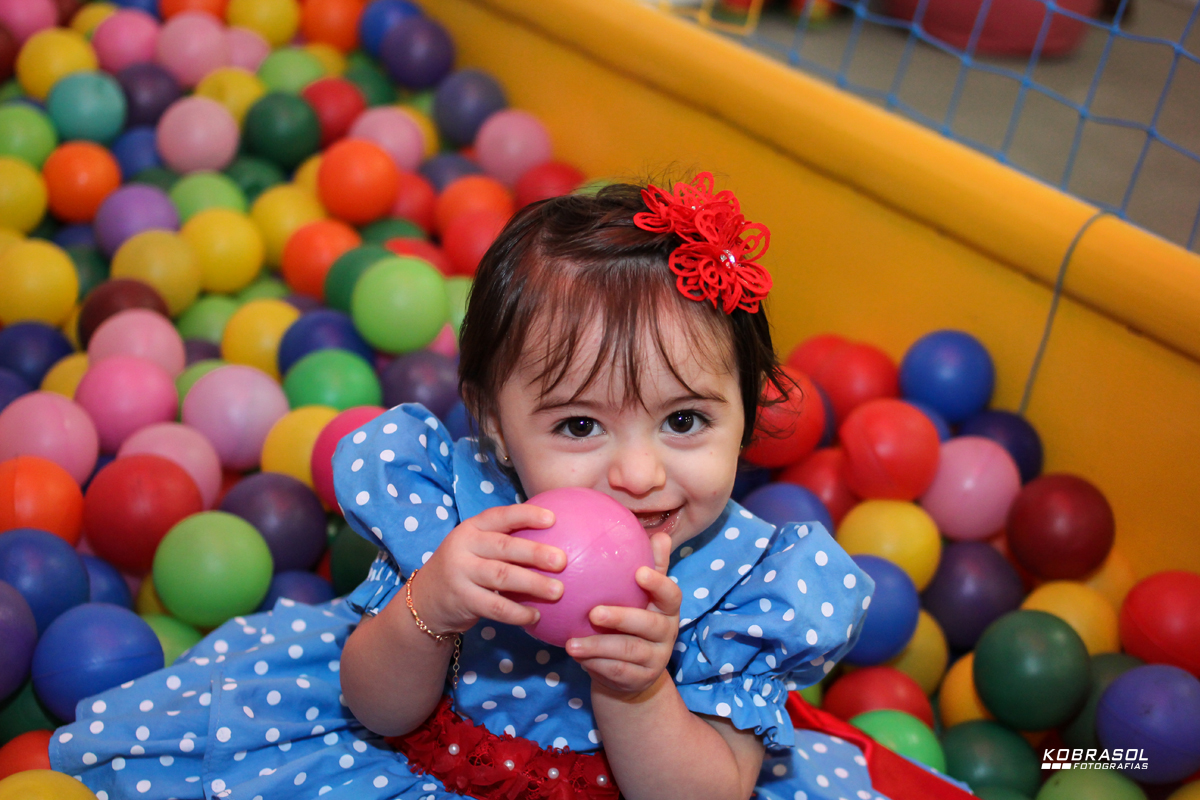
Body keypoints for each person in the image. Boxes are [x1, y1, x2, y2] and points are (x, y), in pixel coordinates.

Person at [48, 174, 891, 800]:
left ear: (748, 409)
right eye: (578, 427)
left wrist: (637, 687)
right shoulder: (455, 510)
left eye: (684, 422)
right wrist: (430, 608)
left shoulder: (751, 587)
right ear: (492, 422)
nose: (639, 477)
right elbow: (374, 709)